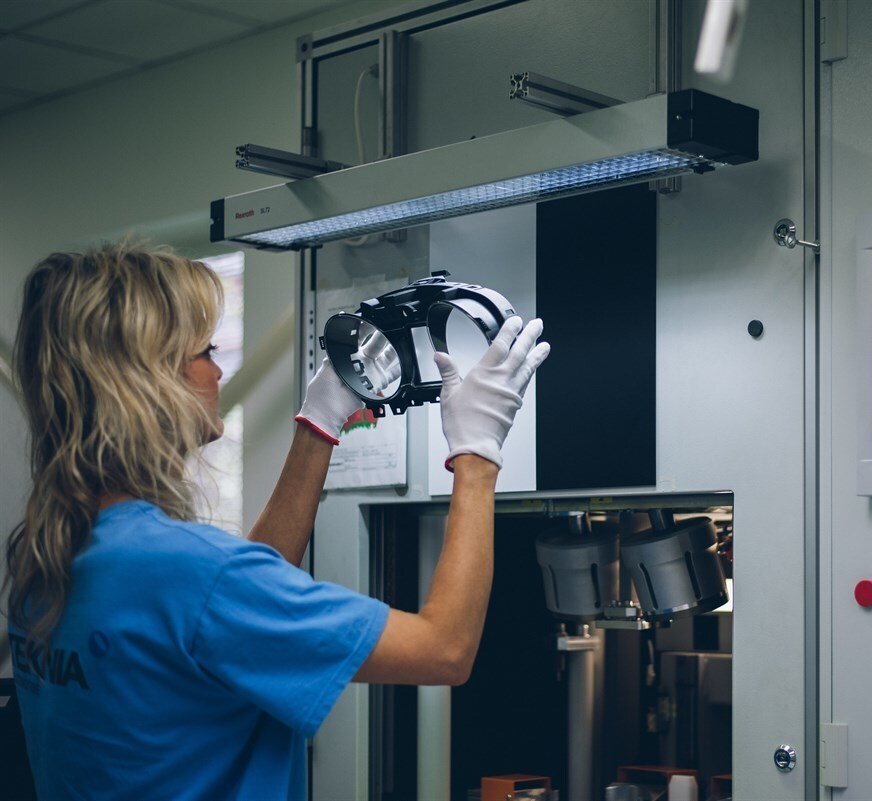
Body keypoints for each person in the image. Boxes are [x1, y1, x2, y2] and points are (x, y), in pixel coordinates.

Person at [3, 243, 549, 800]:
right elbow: (445, 650)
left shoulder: (47, 553)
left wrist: (319, 424)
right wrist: (477, 456)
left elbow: (239, 601)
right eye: (206, 351)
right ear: (149, 380)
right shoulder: (189, 575)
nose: (219, 370)